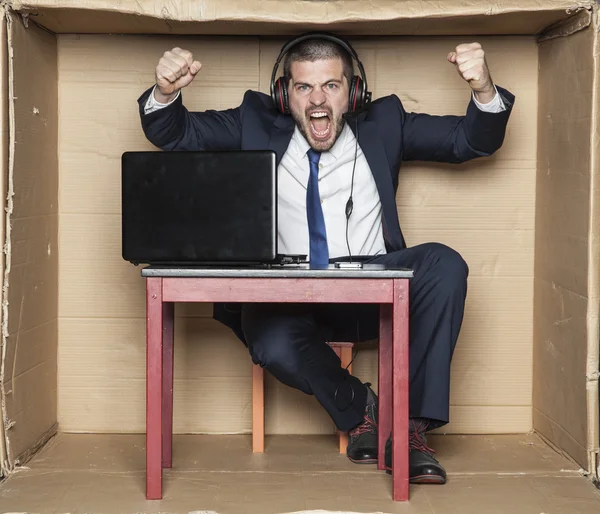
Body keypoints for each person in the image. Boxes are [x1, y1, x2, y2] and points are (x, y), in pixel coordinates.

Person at [137, 33, 514, 485]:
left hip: (373, 284)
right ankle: (366, 412)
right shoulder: (253, 122)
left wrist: (483, 89)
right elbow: (174, 134)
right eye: (303, 88)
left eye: (331, 86)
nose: (318, 100)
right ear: (284, 94)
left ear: (352, 92)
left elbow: (470, 141)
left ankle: (410, 431)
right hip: (284, 294)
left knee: (444, 263)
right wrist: (165, 91)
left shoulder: (385, 121)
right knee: (271, 339)